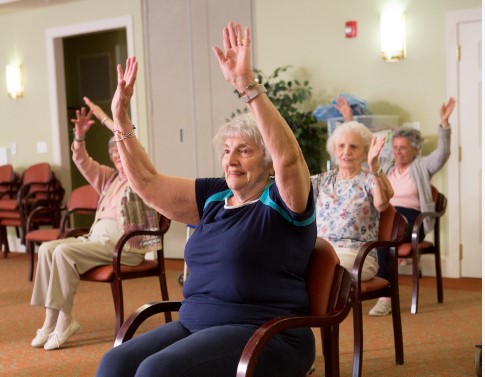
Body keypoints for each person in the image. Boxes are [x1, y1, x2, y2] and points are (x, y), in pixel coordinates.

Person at [95, 22, 317, 377]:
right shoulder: (214, 198)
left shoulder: (282, 203)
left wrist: (247, 86)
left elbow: (290, 159)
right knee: (115, 362)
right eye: (227, 150)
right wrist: (121, 121)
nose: (230, 160)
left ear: (266, 160)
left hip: (265, 333)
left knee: (156, 371)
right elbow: (148, 183)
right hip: (196, 325)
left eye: (244, 150)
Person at [30, 104, 161, 351]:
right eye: (115, 157)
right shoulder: (109, 178)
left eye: (122, 155)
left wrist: (119, 130)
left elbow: (136, 156)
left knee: (62, 252)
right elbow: (82, 160)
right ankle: (50, 320)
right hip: (95, 242)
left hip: (125, 247)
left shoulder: (142, 179)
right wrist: (79, 137)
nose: (118, 161)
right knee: (47, 249)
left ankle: (64, 320)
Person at [336, 95, 456, 316]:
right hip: (386, 215)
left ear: (415, 149)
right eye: (396, 147)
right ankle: (349, 290)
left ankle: (384, 296)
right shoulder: (388, 165)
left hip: (411, 219)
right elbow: (363, 147)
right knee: (361, 233)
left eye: (404, 148)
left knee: (384, 240)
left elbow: (442, 154)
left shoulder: (422, 166)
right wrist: (349, 119)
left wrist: (444, 125)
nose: (398, 152)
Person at [311, 121, 394, 281]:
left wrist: (373, 166)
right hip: (321, 251)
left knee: (324, 272)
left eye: (353, 147)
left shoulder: (369, 179)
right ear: (334, 150)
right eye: (341, 146)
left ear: (365, 152)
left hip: (356, 254)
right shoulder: (323, 180)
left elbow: (382, 204)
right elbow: (294, 190)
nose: (346, 152)